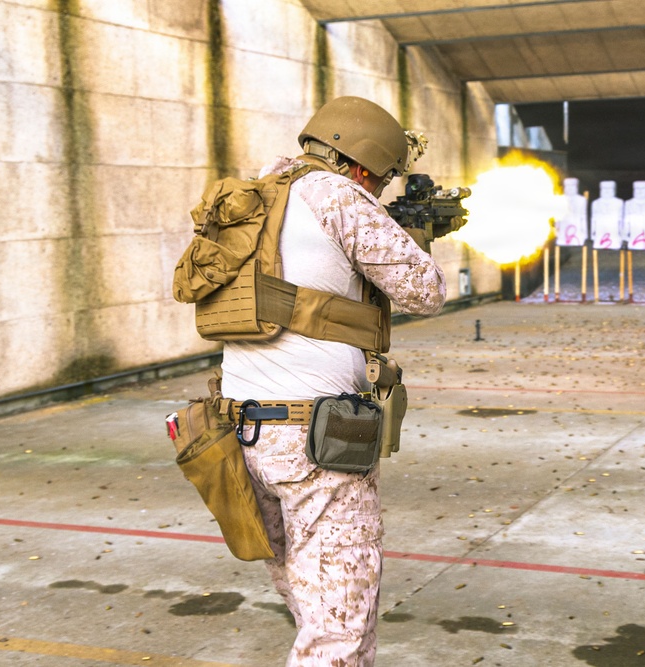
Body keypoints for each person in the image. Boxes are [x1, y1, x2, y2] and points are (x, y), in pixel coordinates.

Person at [221, 96, 446, 666]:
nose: (380, 190)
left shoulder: (258, 194)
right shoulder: (338, 195)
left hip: (242, 431)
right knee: (338, 628)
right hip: (315, 442)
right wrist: (412, 236)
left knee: (310, 599)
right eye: (382, 179)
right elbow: (425, 291)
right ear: (362, 165)